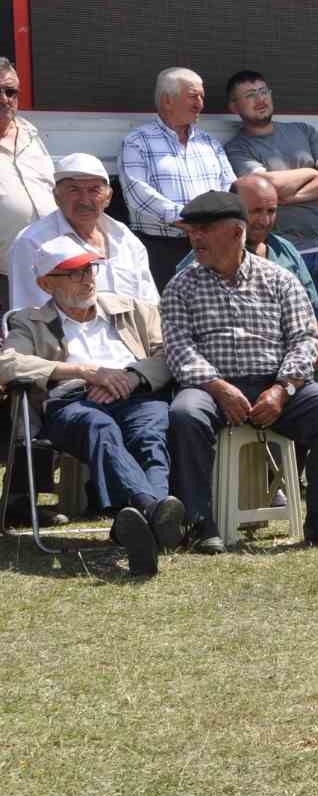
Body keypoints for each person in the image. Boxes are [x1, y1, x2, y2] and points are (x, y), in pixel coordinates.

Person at [163, 192, 318, 553]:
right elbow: (178, 348)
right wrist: (218, 387)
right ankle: (200, 523)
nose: (195, 239)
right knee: (185, 414)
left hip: (274, 381)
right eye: (191, 231)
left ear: (236, 232)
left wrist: (282, 389)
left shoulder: (279, 280)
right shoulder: (182, 285)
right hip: (210, 386)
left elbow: (305, 339)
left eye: (204, 230)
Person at [0, 238, 182, 576]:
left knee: (150, 435)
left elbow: (169, 355)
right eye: (73, 273)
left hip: (135, 392)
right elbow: (7, 364)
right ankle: (153, 511)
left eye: (90, 269)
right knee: (100, 428)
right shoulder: (29, 321)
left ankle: (137, 523)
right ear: (45, 283)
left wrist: (131, 377)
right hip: (73, 401)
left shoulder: (131, 308)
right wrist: (86, 373)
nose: (87, 278)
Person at [178, 175, 318, 423]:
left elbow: (309, 313)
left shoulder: (284, 250)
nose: (264, 220)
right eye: (255, 211)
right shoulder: (201, 260)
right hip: (240, 365)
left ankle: (301, 445)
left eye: (271, 211)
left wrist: (314, 343)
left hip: (294, 358)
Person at [222, 71, 318, 417]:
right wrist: (310, 172)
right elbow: (263, 185)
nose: (260, 99)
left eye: (263, 91)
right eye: (249, 95)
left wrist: (285, 194)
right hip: (281, 256)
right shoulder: (237, 147)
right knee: (295, 337)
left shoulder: (303, 131)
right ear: (234, 107)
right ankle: (304, 405)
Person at [118, 67, 236, 287]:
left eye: (202, 97)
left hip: (212, 246)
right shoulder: (138, 141)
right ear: (167, 100)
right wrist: (189, 219)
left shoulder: (209, 142)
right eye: (193, 96)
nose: (200, 103)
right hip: (161, 250)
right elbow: (138, 194)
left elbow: (229, 187)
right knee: (166, 317)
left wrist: (213, 221)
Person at [9, 153, 158, 310]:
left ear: (108, 197)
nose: (84, 201)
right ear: (56, 197)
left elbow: (150, 304)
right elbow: (30, 314)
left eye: (94, 190)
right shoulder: (32, 242)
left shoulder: (125, 238)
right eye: (73, 190)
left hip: (133, 332)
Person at [0, 55, 54, 302]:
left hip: (49, 272)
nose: (4, 99)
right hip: (4, 278)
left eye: (10, 92)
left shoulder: (32, 136)